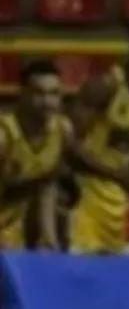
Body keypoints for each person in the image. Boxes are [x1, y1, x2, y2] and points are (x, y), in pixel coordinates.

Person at [69, 19, 129, 254]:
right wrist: (121, 177)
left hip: (117, 206)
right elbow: (69, 147)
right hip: (85, 201)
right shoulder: (104, 87)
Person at [0, 59, 71, 250]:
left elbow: (48, 185)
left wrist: (49, 238)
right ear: (22, 94)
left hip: (15, 231)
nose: (48, 102)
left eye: (54, 93)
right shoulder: (4, 135)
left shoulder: (62, 130)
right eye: (39, 93)